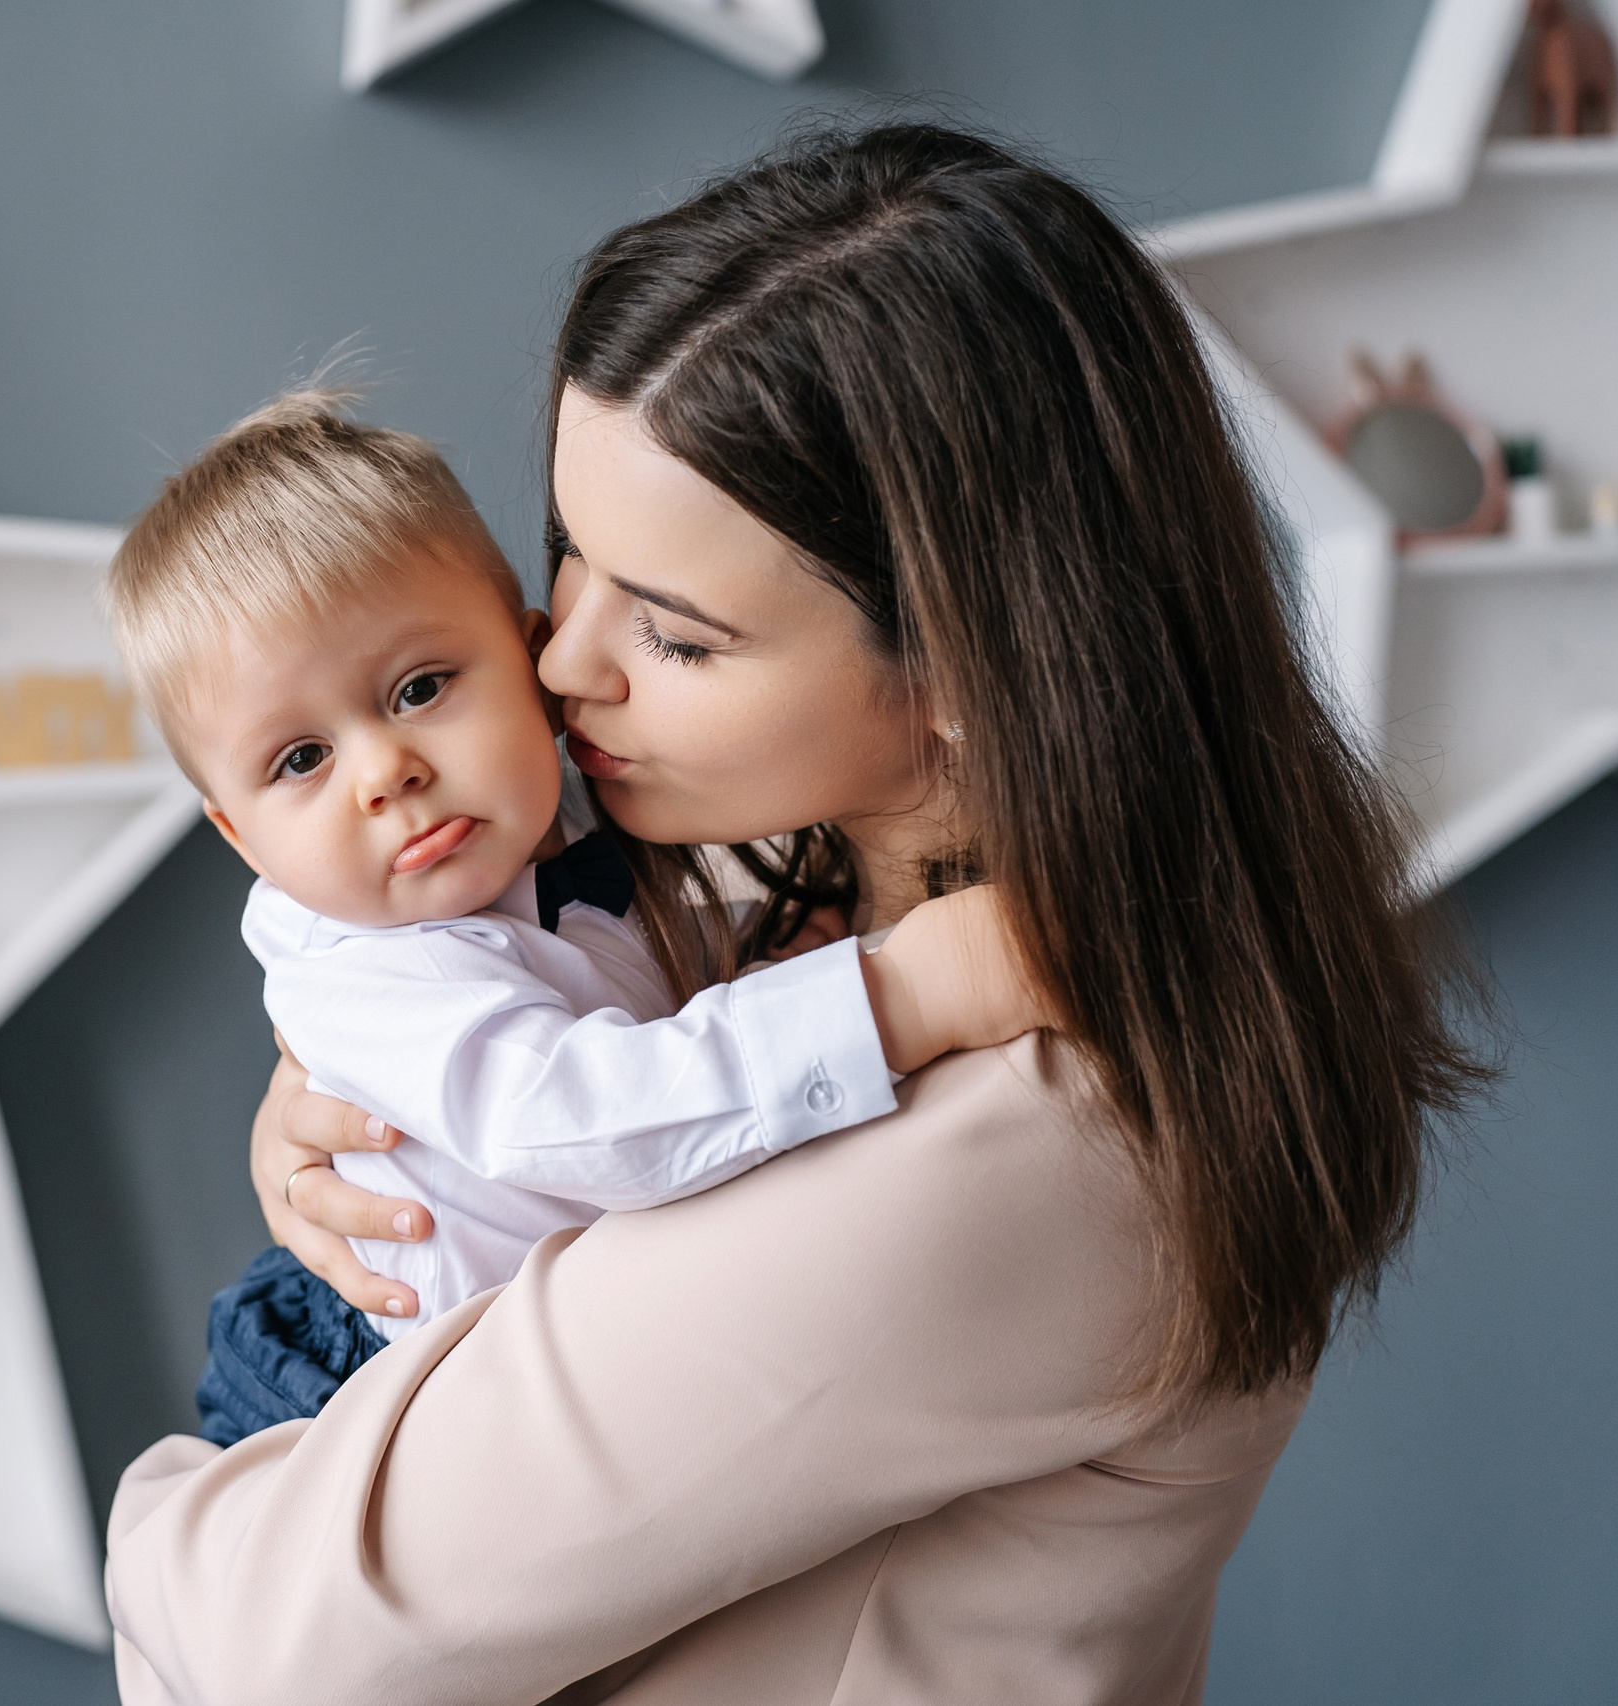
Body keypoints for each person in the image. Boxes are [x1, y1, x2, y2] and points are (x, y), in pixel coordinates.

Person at [102, 123, 1489, 1704]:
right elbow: (570, 1062)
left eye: (678, 636)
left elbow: (248, 1654)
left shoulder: (1019, 1132)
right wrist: (351, 1104)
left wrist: (164, 1524)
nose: (561, 664)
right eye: (570, 561)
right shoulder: (812, 886)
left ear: (969, 672)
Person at [102, 389, 1041, 1447]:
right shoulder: (371, 973)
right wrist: (901, 992)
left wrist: (766, 953)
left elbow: (642, 962)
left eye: (419, 688)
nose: (384, 770)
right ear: (240, 837)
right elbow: (587, 1115)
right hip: (346, 1379)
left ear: (528, 659)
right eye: (299, 760)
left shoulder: (611, 810)